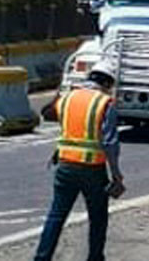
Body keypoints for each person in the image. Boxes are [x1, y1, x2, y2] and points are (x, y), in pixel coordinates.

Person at [34, 60, 124, 261]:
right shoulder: (104, 103)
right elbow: (110, 143)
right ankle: (95, 258)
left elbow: (47, 113)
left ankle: (41, 258)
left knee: (56, 216)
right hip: (92, 169)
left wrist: (60, 92)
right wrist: (116, 176)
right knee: (98, 218)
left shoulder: (68, 98)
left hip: (65, 166)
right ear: (108, 83)